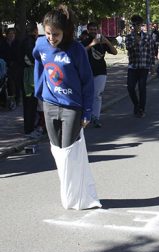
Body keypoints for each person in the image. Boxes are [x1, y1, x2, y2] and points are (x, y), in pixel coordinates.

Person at [33, 5, 101, 210]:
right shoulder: (40, 44)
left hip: (72, 107)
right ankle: (68, 192)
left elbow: (87, 81)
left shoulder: (76, 50)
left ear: (65, 32)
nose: (51, 38)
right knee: (58, 152)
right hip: (49, 104)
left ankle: (75, 195)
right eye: (48, 34)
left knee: (69, 151)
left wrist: (87, 111)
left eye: (56, 34)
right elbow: (38, 61)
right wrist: (39, 90)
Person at [82, 22, 117, 128]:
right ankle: (86, 117)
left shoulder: (102, 42)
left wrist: (106, 41)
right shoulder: (85, 41)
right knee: (87, 95)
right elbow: (81, 52)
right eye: (91, 29)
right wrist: (92, 44)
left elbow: (115, 52)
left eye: (95, 29)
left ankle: (95, 117)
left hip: (101, 71)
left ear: (98, 30)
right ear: (88, 30)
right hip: (87, 72)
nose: (93, 31)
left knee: (97, 94)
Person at [125, 15, 155, 118]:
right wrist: (135, 42)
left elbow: (151, 51)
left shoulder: (148, 36)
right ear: (132, 25)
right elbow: (128, 48)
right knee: (130, 87)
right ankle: (136, 105)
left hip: (144, 66)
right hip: (133, 66)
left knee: (142, 88)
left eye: (138, 24)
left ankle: (141, 109)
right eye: (134, 24)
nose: (136, 26)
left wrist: (152, 66)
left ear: (141, 25)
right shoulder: (129, 37)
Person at [21, 22, 46, 138]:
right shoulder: (31, 42)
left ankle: (30, 127)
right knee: (31, 103)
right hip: (31, 76)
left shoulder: (23, 41)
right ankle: (30, 129)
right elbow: (34, 58)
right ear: (35, 30)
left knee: (29, 103)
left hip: (25, 74)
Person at [0, 27, 21, 110]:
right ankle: (5, 101)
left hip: (16, 66)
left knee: (15, 83)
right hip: (5, 65)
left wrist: (14, 63)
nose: (11, 35)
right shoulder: (3, 43)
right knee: (6, 82)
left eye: (13, 34)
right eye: (9, 34)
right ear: (7, 35)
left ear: (15, 35)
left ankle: (16, 99)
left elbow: (19, 55)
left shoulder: (17, 43)